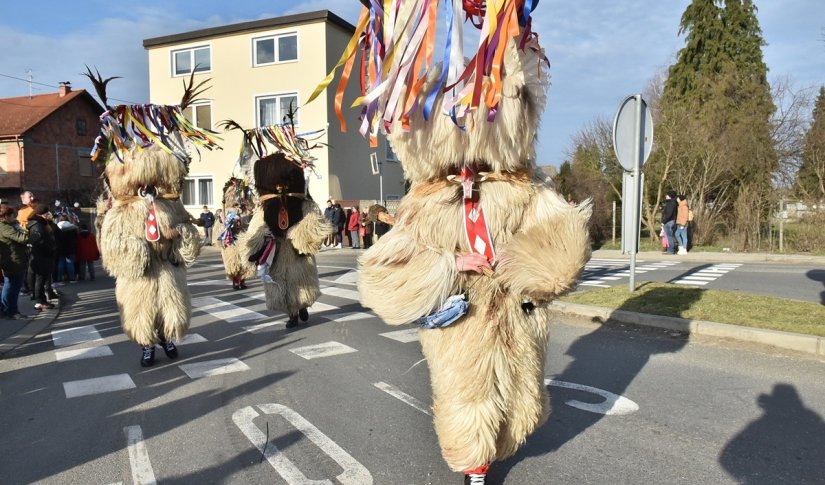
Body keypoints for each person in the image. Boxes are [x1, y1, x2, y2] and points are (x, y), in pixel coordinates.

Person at [0, 204, 29, 319]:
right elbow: (22, 238)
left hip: (12, 260)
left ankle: (7, 310)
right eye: (12, 215)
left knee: (9, 286)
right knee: (13, 288)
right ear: (6, 216)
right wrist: (28, 233)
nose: (14, 217)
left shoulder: (6, 225)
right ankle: (11, 311)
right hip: (13, 261)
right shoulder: (5, 227)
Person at [26, 204, 56, 311]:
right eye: (47, 213)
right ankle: (39, 302)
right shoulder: (36, 225)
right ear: (41, 214)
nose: (48, 215)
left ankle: (42, 300)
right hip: (41, 256)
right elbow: (40, 242)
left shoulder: (41, 223)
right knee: (40, 279)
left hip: (43, 256)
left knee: (41, 279)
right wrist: (50, 250)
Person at [55, 215, 78, 283]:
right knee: (70, 263)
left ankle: (59, 279)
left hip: (60, 248)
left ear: (60, 220)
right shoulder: (72, 227)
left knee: (61, 264)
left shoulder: (57, 227)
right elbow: (76, 237)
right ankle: (72, 278)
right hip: (70, 248)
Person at [661, 190, 678, 255]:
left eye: (667, 195)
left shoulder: (670, 204)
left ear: (670, 196)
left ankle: (671, 250)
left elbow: (669, 214)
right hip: (671, 221)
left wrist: (664, 221)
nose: (666, 196)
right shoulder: (672, 203)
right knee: (670, 236)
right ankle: (671, 249)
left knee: (669, 236)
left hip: (669, 222)